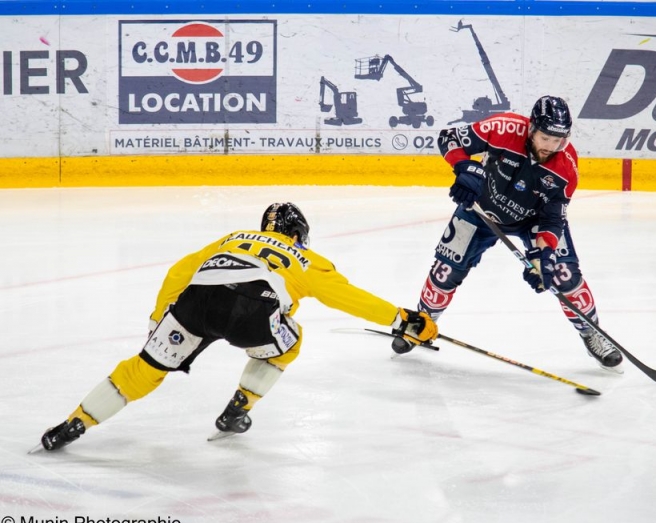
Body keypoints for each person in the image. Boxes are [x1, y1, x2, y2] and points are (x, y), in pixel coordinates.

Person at [39, 202, 438, 451]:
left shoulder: (234, 237)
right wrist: (404, 320)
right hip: (252, 311)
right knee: (290, 344)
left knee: (145, 369)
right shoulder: (306, 258)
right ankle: (237, 411)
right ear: (298, 235)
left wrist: (159, 316)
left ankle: (76, 421)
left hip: (197, 301)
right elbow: (347, 297)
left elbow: (181, 269)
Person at [390, 95, 623, 372]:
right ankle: (423, 322)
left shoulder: (566, 167)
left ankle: (591, 332)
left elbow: (552, 218)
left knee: (563, 274)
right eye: (545, 137)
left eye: (558, 140)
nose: (551, 146)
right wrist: (463, 166)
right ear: (531, 128)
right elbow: (449, 138)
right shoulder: (503, 128)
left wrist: (544, 255)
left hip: (533, 219)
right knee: (445, 270)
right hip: (480, 208)